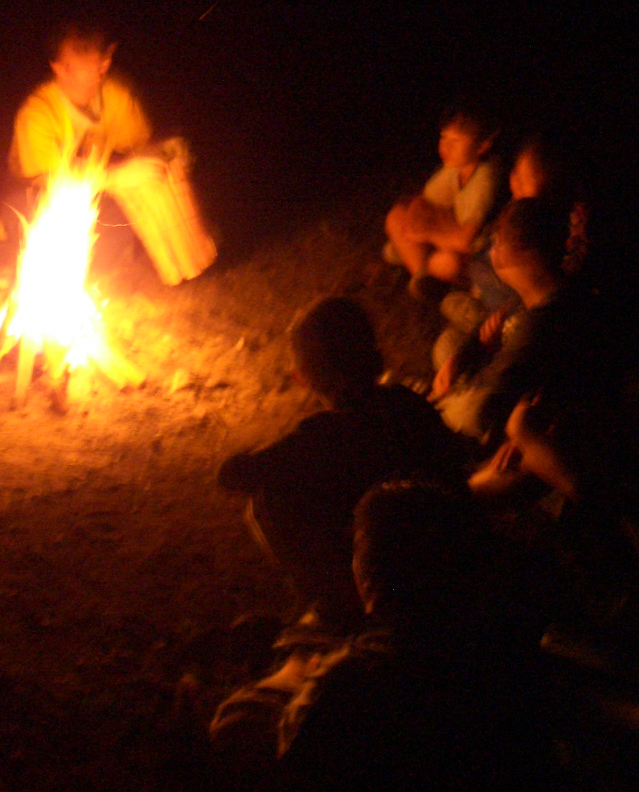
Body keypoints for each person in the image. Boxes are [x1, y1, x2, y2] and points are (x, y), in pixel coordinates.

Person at [275, 482, 564, 792]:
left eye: (358, 550)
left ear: (366, 574)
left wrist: (303, 675)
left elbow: (294, 763)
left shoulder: (344, 687)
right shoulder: (509, 654)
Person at [217, 297, 467, 632]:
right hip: (458, 558)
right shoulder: (407, 404)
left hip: (401, 583)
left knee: (269, 499)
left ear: (305, 375)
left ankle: (342, 607)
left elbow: (232, 475)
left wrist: (260, 449)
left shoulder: (321, 436)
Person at [8, 22, 216, 285]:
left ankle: (192, 265)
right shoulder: (38, 112)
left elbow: (141, 147)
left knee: (155, 176)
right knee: (49, 217)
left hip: (95, 194)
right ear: (59, 68)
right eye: (84, 65)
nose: (97, 73)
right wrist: (117, 177)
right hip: (29, 200)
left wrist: (168, 149)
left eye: (101, 63)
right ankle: (41, 269)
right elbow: (46, 181)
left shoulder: (117, 94)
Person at [432, 197, 595, 442]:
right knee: (448, 346)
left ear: (522, 255)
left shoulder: (540, 325)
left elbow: (486, 400)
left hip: (504, 415)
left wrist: (445, 399)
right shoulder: (536, 289)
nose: (492, 249)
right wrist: (461, 356)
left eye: (498, 241)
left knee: (459, 410)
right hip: (498, 373)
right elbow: (493, 323)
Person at [384, 106, 502, 297]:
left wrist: (426, 233)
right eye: (443, 138)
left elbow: (467, 241)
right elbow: (424, 199)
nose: (445, 147)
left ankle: (421, 266)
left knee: (447, 263)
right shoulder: (456, 166)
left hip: (474, 254)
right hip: (447, 235)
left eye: (455, 141)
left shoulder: (485, 179)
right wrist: (416, 222)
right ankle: (422, 275)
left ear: (482, 146)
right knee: (396, 216)